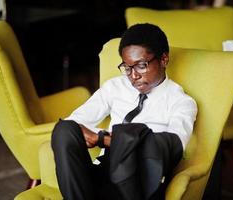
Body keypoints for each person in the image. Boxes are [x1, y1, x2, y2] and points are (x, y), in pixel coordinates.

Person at [51, 23, 197, 200]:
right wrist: (104, 139)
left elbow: (172, 148)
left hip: (139, 180)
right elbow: (74, 123)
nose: (133, 76)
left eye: (141, 66)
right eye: (127, 68)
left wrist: (103, 139)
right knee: (64, 130)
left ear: (164, 59)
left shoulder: (181, 102)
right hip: (102, 172)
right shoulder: (115, 87)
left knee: (143, 136)